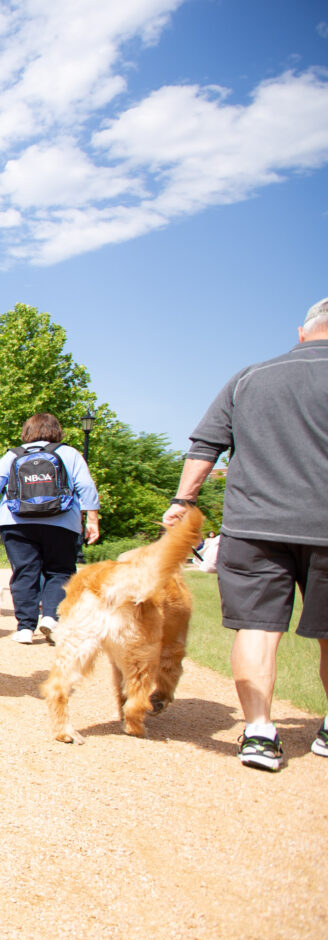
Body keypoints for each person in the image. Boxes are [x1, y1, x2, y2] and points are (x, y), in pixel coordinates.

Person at [163, 295, 328, 772]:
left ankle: (259, 731)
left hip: (255, 525)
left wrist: (183, 501)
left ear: (301, 333)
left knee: (257, 629)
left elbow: (206, 444)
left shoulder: (249, 378)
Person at [0, 414, 100, 645]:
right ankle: (51, 617)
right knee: (60, 571)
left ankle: (25, 627)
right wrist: (92, 518)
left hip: (15, 521)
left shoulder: (13, 455)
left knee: (24, 572)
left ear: (26, 432)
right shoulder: (68, 453)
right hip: (61, 521)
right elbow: (85, 485)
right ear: (57, 431)